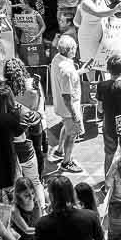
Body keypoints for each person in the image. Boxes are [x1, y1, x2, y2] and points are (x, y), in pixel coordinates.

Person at [47, 35, 83, 171]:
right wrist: (75, 115)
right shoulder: (67, 71)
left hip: (61, 106)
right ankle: (66, 162)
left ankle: (60, 150)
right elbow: (67, 96)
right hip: (69, 107)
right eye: (74, 48)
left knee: (66, 127)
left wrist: (80, 71)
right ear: (70, 50)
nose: (76, 50)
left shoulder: (57, 59)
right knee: (72, 133)